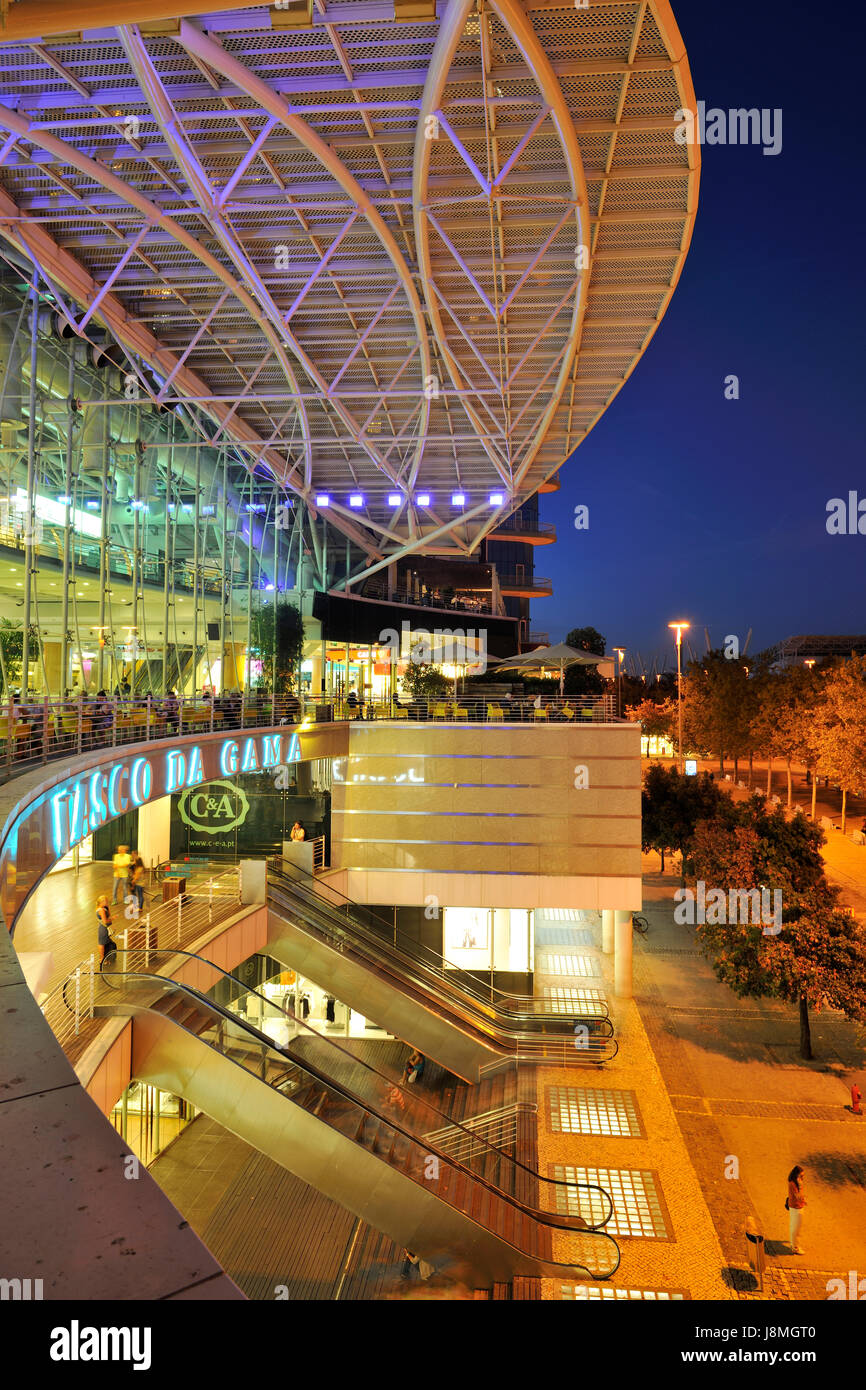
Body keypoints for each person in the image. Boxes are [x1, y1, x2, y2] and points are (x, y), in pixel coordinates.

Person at [786, 1164, 807, 1254]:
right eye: (801, 1176)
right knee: (796, 1228)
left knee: (793, 1226)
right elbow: (798, 1197)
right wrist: (801, 1186)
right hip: (796, 1208)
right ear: (796, 1175)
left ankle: (792, 1243)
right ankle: (795, 1247)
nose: (803, 1178)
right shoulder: (793, 1184)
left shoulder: (794, 1182)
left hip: (795, 1206)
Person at [95, 894, 116, 965]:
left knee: (104, 942)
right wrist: (112, 919)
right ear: (102, 902)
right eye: (106, 901)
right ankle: (102, 959)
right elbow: (105, 921)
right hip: (103, 929)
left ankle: (103, 958)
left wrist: (108, 907)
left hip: (103, 928)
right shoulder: (101, 910)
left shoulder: (101, 908)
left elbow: (109, 915)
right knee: (102, 943)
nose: (107, 902)